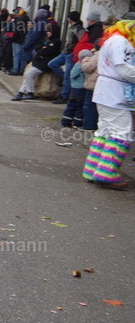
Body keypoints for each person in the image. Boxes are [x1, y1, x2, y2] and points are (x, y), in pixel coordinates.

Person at [82, 19, 135, 189]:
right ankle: (107, 173)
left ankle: (93, 169)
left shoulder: (112, 39)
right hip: (115, 92)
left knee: (105, 130)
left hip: (106, 90)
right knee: (121, 132)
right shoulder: (121, 42)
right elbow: (123, 69)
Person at [11, 23, 61, 101]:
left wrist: (42, 50)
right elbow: (37, 47)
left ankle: (30, 92)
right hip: (39, 61)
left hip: (45, 63)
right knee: (28, 76)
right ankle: (20, 93)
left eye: (49, 31)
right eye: (47, 31)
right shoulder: (46, 40)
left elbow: (46, 51)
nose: (47, 33)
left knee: (29, 75)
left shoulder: (56, 42)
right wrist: (41, 49)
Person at [49, 11, 84, 103]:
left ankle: (64, 96)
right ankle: (63, 79)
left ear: (70, 18)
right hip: (66, 52)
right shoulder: (72, 28)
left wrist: (75, 51)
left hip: (71, 53)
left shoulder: (79, 29)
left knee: (68, 76)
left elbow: (81, 42)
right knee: (52, 64)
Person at [61, 49, 91, 127]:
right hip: (79, 89)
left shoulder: (78, 64)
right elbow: (73, 75)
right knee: (78, 106)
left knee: (72, 106)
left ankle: (67, 121)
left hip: (75, 89)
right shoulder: (80, 65)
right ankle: (76, 122)